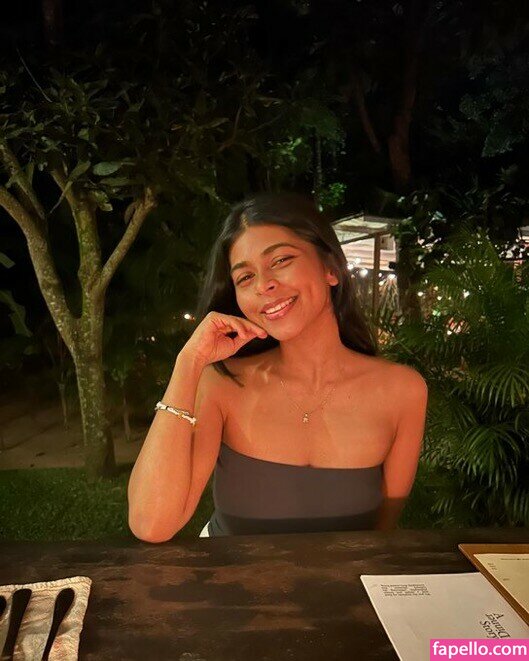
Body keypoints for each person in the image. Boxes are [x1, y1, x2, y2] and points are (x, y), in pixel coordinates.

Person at [128, 192, 428, 542]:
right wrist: (188, 362)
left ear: (331, 268)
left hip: (345, 577)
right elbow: (152, 524)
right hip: (231, 575)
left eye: (281, 260)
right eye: (244, 278)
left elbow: (383, 534)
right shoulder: (223, 383)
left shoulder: (403, 392)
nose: (263, 285)